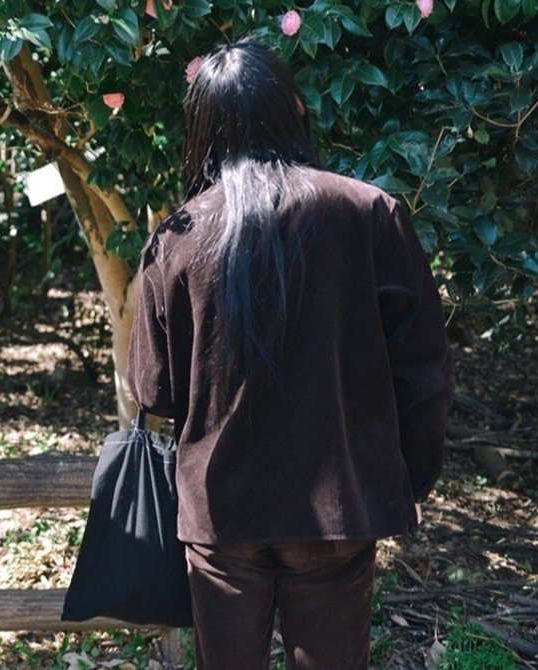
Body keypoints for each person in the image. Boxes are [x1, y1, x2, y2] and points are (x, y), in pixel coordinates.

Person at [127, 39, 454, 669]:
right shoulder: (370, 213)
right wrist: (409, 480)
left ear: (202, 130)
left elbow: (154, 390)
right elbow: (424, 373)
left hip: (220, 513)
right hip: (339, 507)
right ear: (295, 108)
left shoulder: (177, 237)